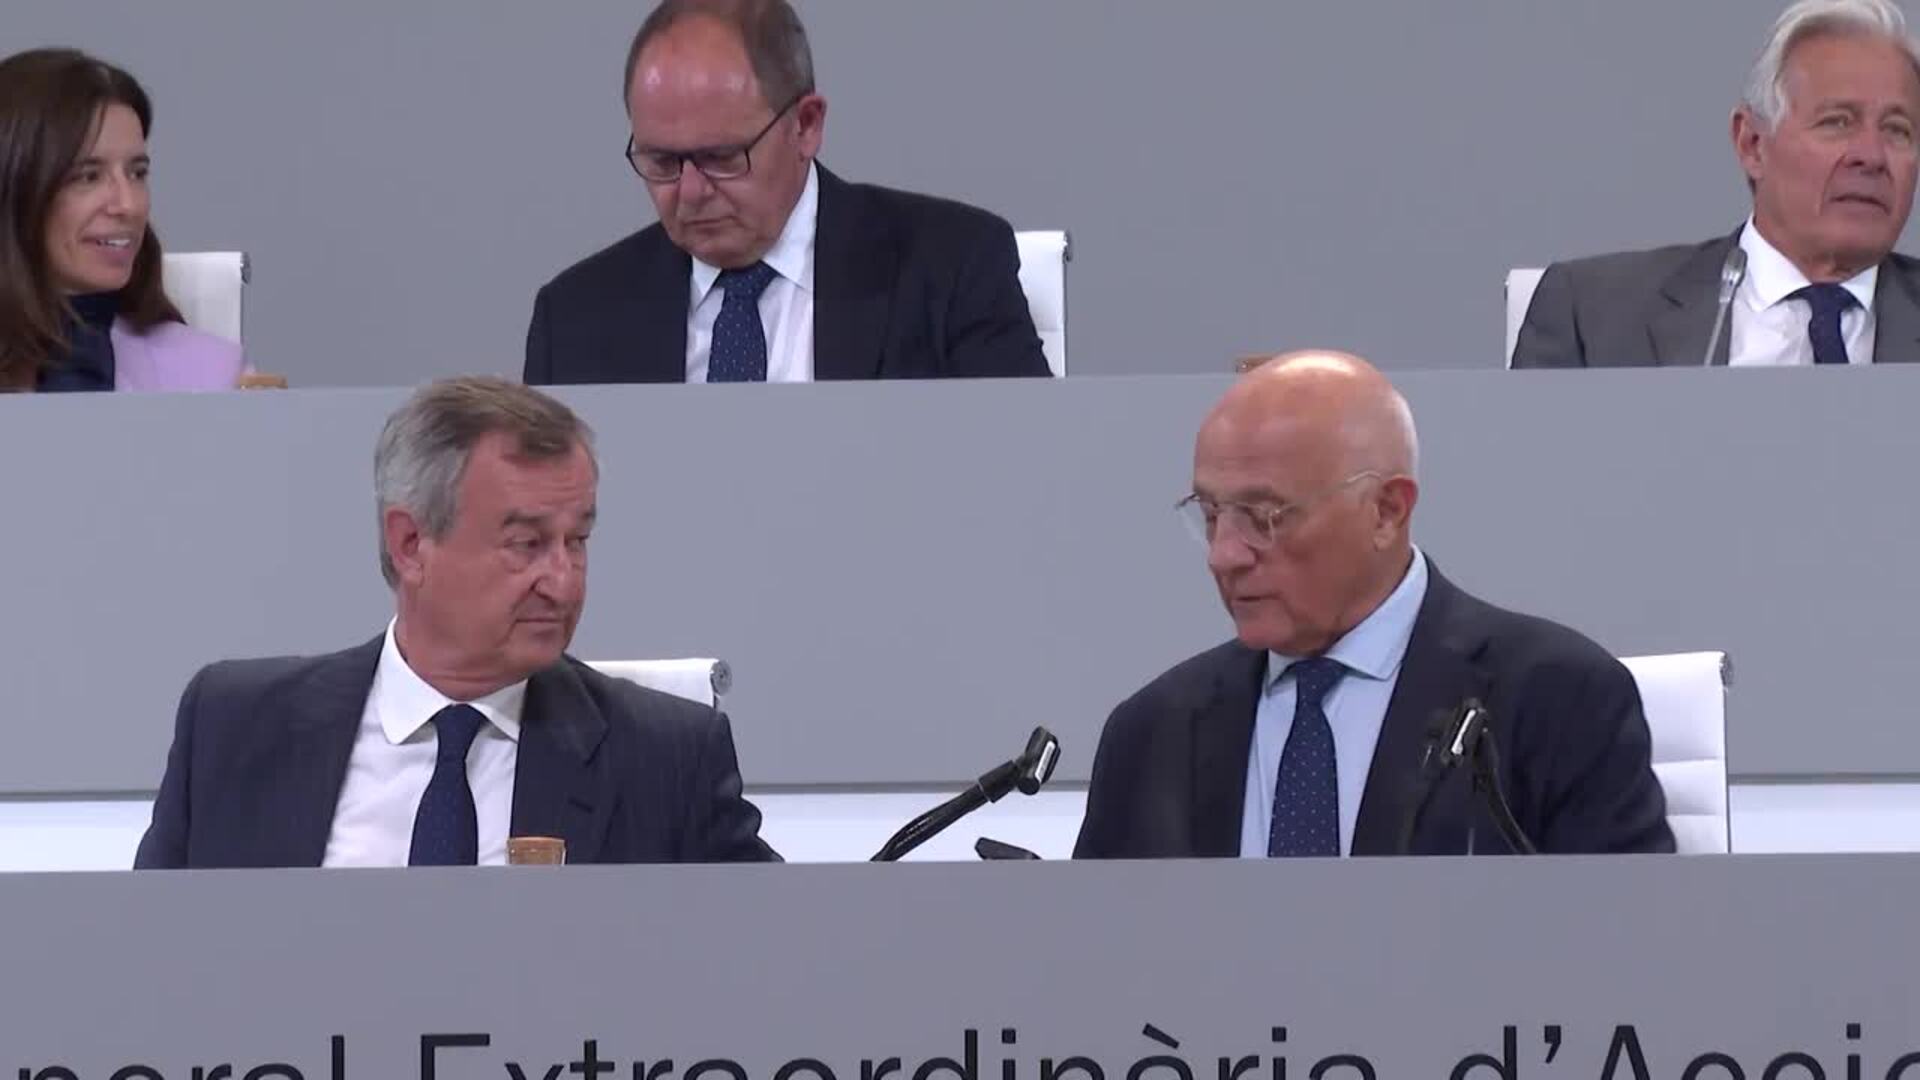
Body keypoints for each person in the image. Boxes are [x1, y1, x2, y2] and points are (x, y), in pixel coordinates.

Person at [135, 377, 777, 868]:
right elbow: (151, 960)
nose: (563, 581)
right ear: (411, 544)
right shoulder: (234, 728)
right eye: (526, 544)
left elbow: (775, 960)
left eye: (577, 541)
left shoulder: (665, 759)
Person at [1075, 353, 1673, 858]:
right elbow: (1095, 951)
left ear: (1387, 511)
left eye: (1263, 516)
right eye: (1211, 514)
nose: (1223, 555)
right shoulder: (1151, 734)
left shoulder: (1557, 699)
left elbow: (1629, 942)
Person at [523, 0, 1049, 385]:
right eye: (662, 162)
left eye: (722, 157)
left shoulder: (952, 268)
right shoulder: (573, 320)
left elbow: (1027, 462)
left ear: (806, 125)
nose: (690, 192)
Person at [1513, 0, 1920, 369]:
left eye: (1897, 130)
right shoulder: (1591, 316)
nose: (1871, 156)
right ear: (1752, 144)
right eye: (1837, 122)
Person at [0, 49, 247, 392]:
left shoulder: (212, 373)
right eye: (88, 176)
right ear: (14, 187)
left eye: (137, 173)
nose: (128, 205)